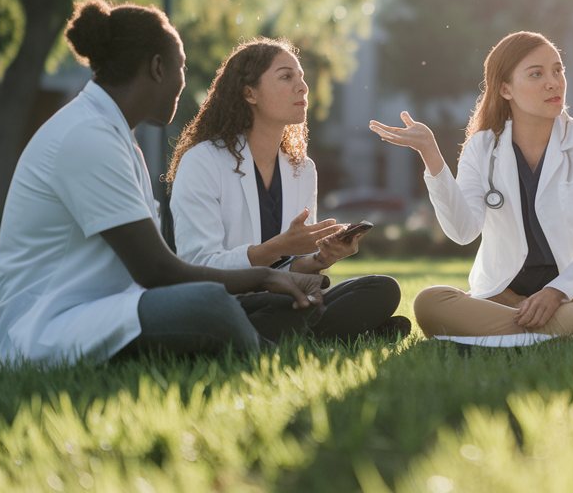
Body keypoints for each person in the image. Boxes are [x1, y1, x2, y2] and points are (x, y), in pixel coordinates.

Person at [0, 0, 323, 368]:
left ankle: (280, 327)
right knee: (209, 306)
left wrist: (275, 282)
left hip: (107, 310)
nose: (183, 81)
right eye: (182, 67)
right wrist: (265, 278)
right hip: (43, 329)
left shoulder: (115, 137)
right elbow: (158, 271)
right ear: (158, 67)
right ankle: (274, 354)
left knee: (250, 300)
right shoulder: (87, 136)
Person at [370, 31, 573, 345]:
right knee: (430, 302)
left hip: (571, 295)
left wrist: (555, 293)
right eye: (536, 74)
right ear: (505, 89)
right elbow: (462, 231)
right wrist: (431, 155)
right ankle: (550, 334)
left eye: (557, 70)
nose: (554, 82)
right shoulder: (481, 147)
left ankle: (510, 336)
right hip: (502, 297)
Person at [167, 37, 407, 341]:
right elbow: (199, 266)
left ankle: (304, 331)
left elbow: (294, 268)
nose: (303, 87)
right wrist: (277, 247)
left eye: (302, 78)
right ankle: (335, 333)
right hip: (225, 302)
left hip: (284, 299)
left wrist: (321, 259)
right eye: (286, 77)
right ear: (249, 93)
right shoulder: (202, 161)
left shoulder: (302, 169)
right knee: (288, 308)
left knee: (382, 288)